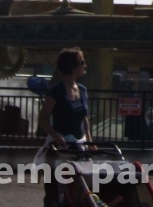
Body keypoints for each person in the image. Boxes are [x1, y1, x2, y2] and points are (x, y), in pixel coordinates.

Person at [37, 47, 95, 207]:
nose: (85, 65)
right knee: (55, 188)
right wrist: (55, 136)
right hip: (60, 144)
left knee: (81, 187)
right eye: (81, 62)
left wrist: (90, 140)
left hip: (78, 143)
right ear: (71, 66)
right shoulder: (57, 91)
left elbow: (84, 117)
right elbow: (43, 117)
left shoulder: (82, 90)